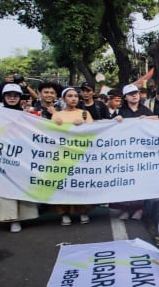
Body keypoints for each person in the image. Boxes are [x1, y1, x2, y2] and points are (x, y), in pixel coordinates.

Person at [0, 84, 39, 238]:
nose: (12, 98)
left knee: (18, 188)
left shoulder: (26, 115)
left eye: (15, 95)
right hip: (0, 157)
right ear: (3, 97)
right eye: (9, 95)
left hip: (20, 157)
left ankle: (15, 220)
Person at [50, 87, 94, 225]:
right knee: (64, 185)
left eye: (76, 96)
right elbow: (52, 135)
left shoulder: (85, 114)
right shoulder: (57, 116)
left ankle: (83, 211)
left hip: (81, 155)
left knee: (80, 183)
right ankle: (64, 213)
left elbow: (94, 133)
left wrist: (83, 126)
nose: (74, 98)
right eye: (70, 96)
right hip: (63, 155)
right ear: (64, 99)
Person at [110, 84, 154, 220]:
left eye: (136, 93)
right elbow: (111, 129)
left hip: (142, 152)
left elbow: (157, 123)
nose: (135, 95)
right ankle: (125, 209)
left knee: (140, 180)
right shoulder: (120, 112)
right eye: (131, 94)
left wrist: (147, 120)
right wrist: (115, 121)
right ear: (125, 97)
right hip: (126, 153)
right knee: (126, 181)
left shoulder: (145, 110)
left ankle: (139, 209)